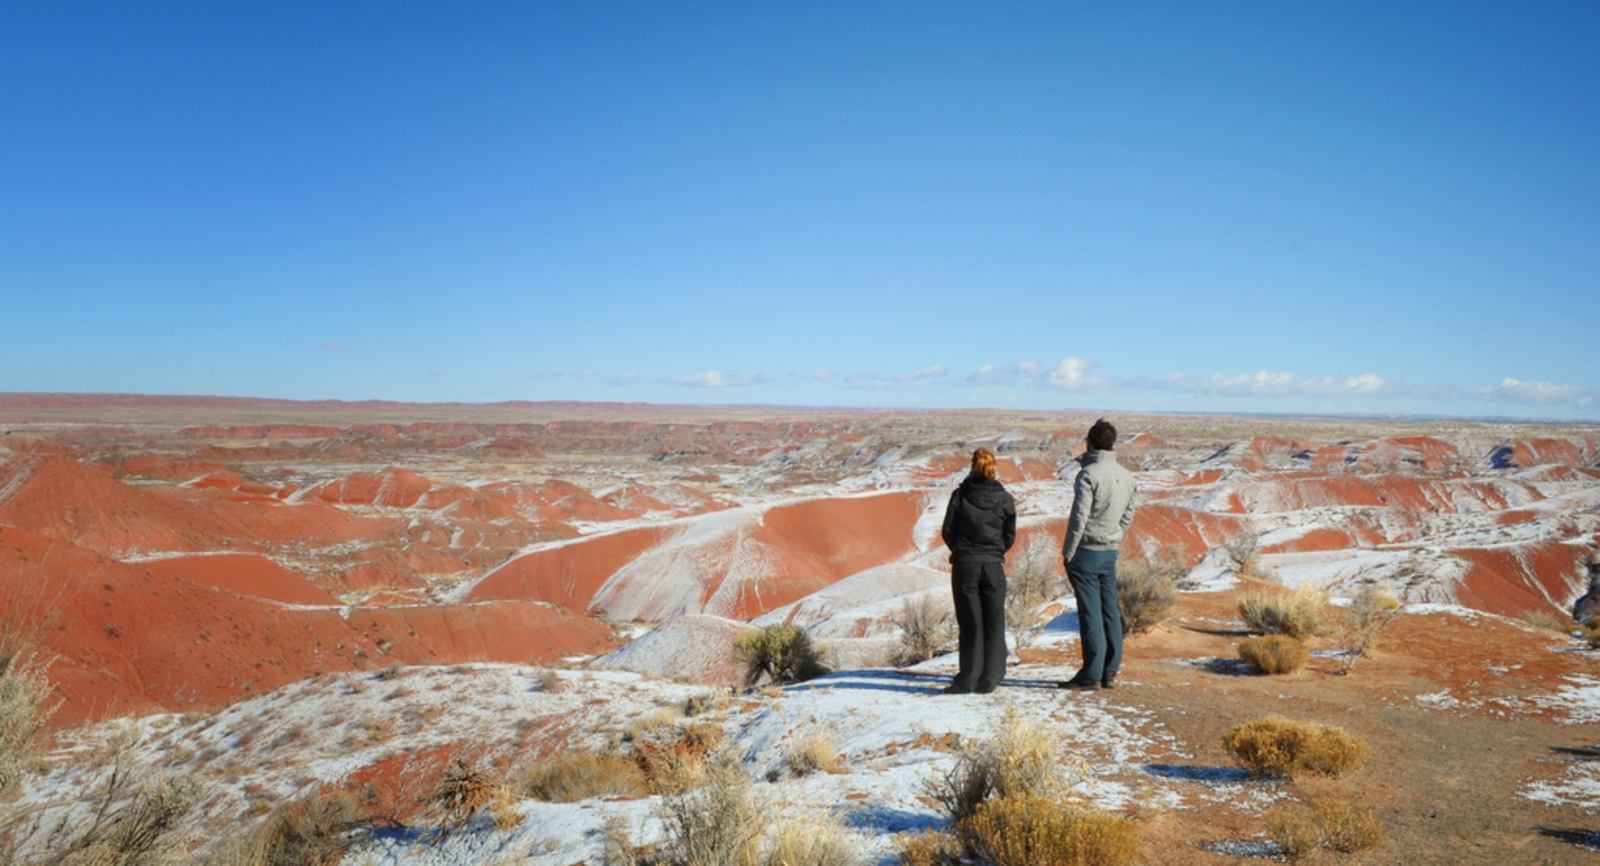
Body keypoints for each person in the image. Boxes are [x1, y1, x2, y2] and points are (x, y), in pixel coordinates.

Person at [1060, 419, 1137, 690]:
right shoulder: (1127, 476)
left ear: (1090, 442)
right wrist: (1115, 535)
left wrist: (1069, 551)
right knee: (1109, 610)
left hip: (1087, 551)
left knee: (1090, 612)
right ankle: (1110, 670)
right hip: (1109, 551)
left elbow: (1079, 517)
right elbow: (1129, 513)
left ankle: (1091, 674)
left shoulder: (1088, 474)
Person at [939, 448, 1017, 694]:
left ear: (973, 466)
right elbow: (1009, 534)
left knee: (970, 622)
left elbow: (947, 531)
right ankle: (991, 678)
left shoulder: (960, 496)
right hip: (993, 566)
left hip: (966, 566)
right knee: (994, 620)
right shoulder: (1005, 499)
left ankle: (968, 678)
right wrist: (996, 551)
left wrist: (963, 551)